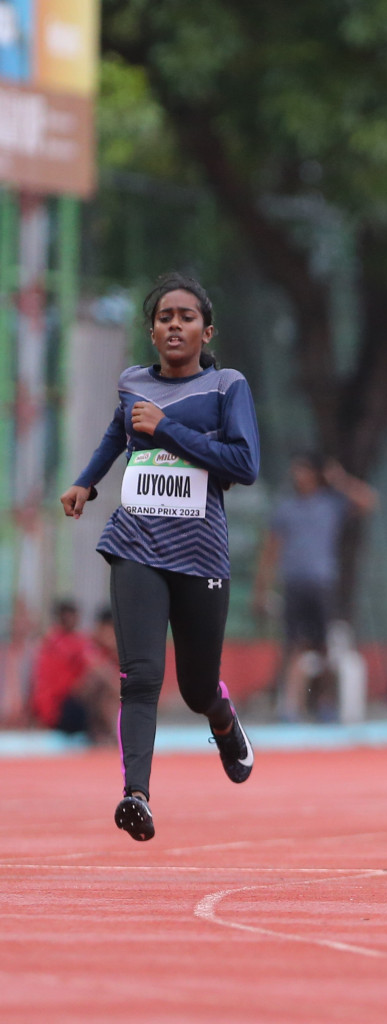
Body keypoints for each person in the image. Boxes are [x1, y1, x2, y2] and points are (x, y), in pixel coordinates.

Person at [59, 272, 260, 841]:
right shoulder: (131, 383)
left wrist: (168, 429)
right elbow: (116, 435)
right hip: (136, 544)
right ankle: (136, 796)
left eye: (186, 316)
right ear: (152, 331)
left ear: (206, 329)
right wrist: (86, 482)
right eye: (165, 317)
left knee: (197, 687)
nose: (175, 324)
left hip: (200, 551)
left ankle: (222, 720)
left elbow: (243, 466)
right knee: (140, 676)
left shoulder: (227, 386)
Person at [254, 453, 377, 720]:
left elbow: (368, 501)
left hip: (322, 582)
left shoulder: (331, 504)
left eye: (305, 471)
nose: (299, 477)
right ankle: (291, 706)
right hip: (294, 582)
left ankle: (325, 702)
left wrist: (340, 479)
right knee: (294, 643)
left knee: (326, 645)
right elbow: (270, 549)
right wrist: (262, 588)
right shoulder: (286, 508)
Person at [27, 599, 115, 743]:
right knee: (102, 683)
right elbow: (102, 671)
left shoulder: (49, 640)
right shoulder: (74, 642)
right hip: (60, 711)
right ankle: (107, 733)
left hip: (47, 710)